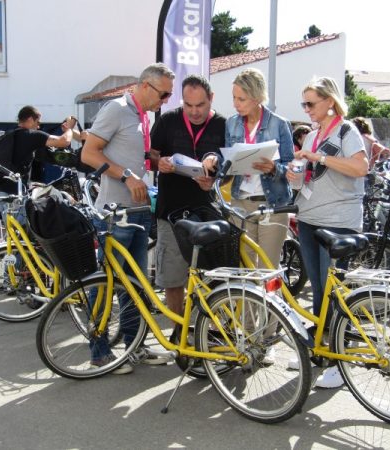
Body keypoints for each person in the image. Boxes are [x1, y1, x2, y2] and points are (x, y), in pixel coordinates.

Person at [81, 62, 176, 374]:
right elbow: (89, 154)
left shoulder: (142, 116)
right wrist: (127, 178)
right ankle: (99, 352)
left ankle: (134, 347)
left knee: (135, 285)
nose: (166, 102)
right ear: (146, 86)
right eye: (164, 95)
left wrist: (155, 161)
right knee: (105, 284)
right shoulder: (116, 109)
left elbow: (129, 153)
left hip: (138, 211)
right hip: (114, 213)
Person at [286, 76, 368, 389]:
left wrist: (319, 157)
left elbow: (360, 168)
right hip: (308, 218)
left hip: (338, 221)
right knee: (320, 290)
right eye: (303, 104)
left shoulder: (347, 131)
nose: (306, 109)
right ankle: (321, 352)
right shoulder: (311, 136)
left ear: (329, 102)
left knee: (335, 292)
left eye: (311, 103)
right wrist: (293, 174)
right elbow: (304, 181)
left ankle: (339, 359)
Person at [149, 74, 225, 335]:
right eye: (188, 105)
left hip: (207, 210)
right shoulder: (168, 120)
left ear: (211, 99)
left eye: (200, 105)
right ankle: (179, 332)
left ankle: (211, 331)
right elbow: (152, 154)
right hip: (170, 211)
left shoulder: (223, 125)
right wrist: (161, 163)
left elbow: (230, 170)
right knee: (173, 277)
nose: (193, 112)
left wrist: (212, 181)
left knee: (216, 274)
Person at [225, 68, 294, 268]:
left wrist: (274, 168)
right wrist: (217, 162)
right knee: (245, 269)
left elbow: (291, 166)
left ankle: (272, 301)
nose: (235, 104)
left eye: (241, 99)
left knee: (268, 269)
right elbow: (227, 162)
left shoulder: (279, 124)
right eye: (234, 98)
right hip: (241, 203)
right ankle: (248, 302)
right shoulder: (231, 123)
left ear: (256, 97)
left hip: (273, 204)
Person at [0, 105, 73, 221]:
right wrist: (69, 129)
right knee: (25, 231)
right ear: (30, 119)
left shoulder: (10, 135)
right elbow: (64, 141)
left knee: (13, 233)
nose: (39, 126)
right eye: (38, 121)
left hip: (0, 192)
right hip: (15, 194)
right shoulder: (31, 135)